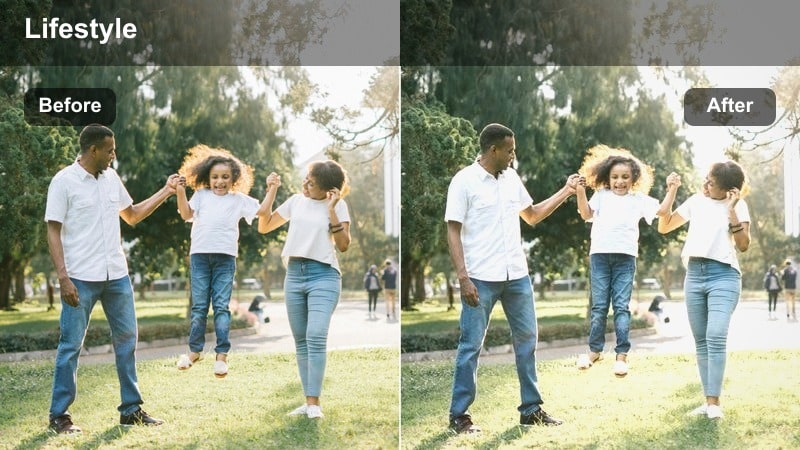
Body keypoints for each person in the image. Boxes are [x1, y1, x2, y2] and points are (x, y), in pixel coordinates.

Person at [445, 123, 579, 433]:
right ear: (493, 149)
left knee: (527, 342)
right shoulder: (464, 181)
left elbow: (531, 215)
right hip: (479, 277)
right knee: (471, 346)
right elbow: (452, 230)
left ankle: (531, 410)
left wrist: (566, 191)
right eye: (510, 150)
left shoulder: (511, 178)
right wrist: (463, 277)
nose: (513, 155)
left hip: (517, 275)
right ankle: (459, 415)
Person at [44, 124, 174, 434]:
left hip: (116, 274)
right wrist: (63, 278)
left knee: (127, 340)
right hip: (80, 277)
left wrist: (167, 191)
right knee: (71, 345)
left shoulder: (111, 178)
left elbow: (132, 214)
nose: (114, 155)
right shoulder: (64, 181)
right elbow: (53, 229)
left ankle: (131, 410)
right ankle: (59, 415)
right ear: (93, 150)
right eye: (110, 150)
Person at [573, 145, 681, 377]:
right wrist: (580, 191)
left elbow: (662, 210)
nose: (619, 181)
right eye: (614, 177)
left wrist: (672, 189)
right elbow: (585, 214)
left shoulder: (638, 200)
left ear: (633, 179)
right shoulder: (601, 196)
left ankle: (621, 356)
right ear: (607, 178)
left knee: (621, 306)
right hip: (600, 256)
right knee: (600, 306)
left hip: (625, 258)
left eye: (625, 177)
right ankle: (594, 351)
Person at [258, 160, 351, 420]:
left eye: (312, 183)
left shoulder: (339, 205)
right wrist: (272, 190)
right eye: (306, 179)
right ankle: (309, 402)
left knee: (316, 335)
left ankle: (314, 405)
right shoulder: (296, 201)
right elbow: (263, 226)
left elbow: (343, 245)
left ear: (329, 190)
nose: (306, 185)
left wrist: (331, 210)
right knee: (301, 342)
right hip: (294, 275)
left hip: (324, 275)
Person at [658, 160, 751, 420]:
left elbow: (743, 245)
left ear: (730, 190)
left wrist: (731, 210)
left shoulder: (739, 205)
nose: (706, 184)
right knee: (701, 341)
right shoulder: (696, 201)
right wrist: (672, 191)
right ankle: (709, 402)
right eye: (707, 179)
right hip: (695, 275)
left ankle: (714, 404)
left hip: (724, 275)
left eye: (712, 182)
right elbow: (663, 227)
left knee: (716, 335)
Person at [174, 145, 274, 378]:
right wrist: (179, 191)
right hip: (199, 256)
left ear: (234, 178)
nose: (220, 182)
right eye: (215, 177)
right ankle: (194, 352)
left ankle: (221, 357)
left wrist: (273, 188)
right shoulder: (201, 195)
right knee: (199, 307)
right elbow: (186, 215)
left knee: (220, 306)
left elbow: (263, 211)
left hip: (225, 259)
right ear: (208, 178)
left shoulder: (238, 200)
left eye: (225, 177)